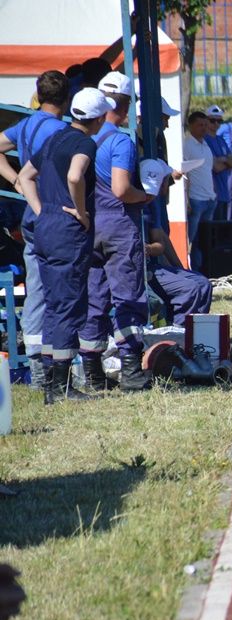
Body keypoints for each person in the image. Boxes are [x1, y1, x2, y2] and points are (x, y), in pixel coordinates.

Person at [17, 87, 113, 403]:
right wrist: (82, 213)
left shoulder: (54, 138)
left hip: (44, 229)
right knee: (69, 305)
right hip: (67, 234)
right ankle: (61, 387)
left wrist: (43, 209)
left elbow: (25, 175)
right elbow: (75, 176)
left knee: (52, 304)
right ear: (99, 118)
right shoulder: (84, 143)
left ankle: (50, 385)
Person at [78, 71, 154, 392]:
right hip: (118, 229)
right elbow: (122, 189)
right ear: (124, 105)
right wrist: (147, 194)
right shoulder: (120, 140)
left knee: (94, 300)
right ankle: (132, 371)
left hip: (89, 227)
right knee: (128, 298)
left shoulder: (84, 138)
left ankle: (94, 375)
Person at [0, 70, 70, 389]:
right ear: (66, 100)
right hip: (54, 210)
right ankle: (61, 366)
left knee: (36, 289)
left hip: (30, 211)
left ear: (38, 96)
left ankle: (36, 366)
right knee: (62, 289)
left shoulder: (26, 125)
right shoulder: (62, 132)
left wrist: (15, 179)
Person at [139, 158, 212, 321]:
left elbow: (161, 243)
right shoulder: (139, 202)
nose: (167, 184)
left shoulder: (153, 203)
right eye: (166, 180)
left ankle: (196, 334)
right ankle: (180, 335)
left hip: (152, 265)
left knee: (203, 284)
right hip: (141, 270)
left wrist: (180, 270)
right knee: (191, 288)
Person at [182, 110, 217, 273]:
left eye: (205, 124)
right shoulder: (187, 145)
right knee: (191, 240)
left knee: (203, 241)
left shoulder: (205, 144)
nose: (204, 128)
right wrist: (186, 200)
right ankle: (192, 271)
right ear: (191, 126)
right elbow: (185, 173)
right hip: (195, 199)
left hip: (209, 199)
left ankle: (203, 271)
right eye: (200, 125)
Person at [205, 105, 232, 221]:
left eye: (219, 121)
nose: (216, 124)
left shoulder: (220, 139)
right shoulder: (205, 140)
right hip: (212, 194)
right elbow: (215, 167)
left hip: (224, 193)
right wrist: (227, 161)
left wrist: (224, 160)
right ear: (206, 120)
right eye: (212, 121)